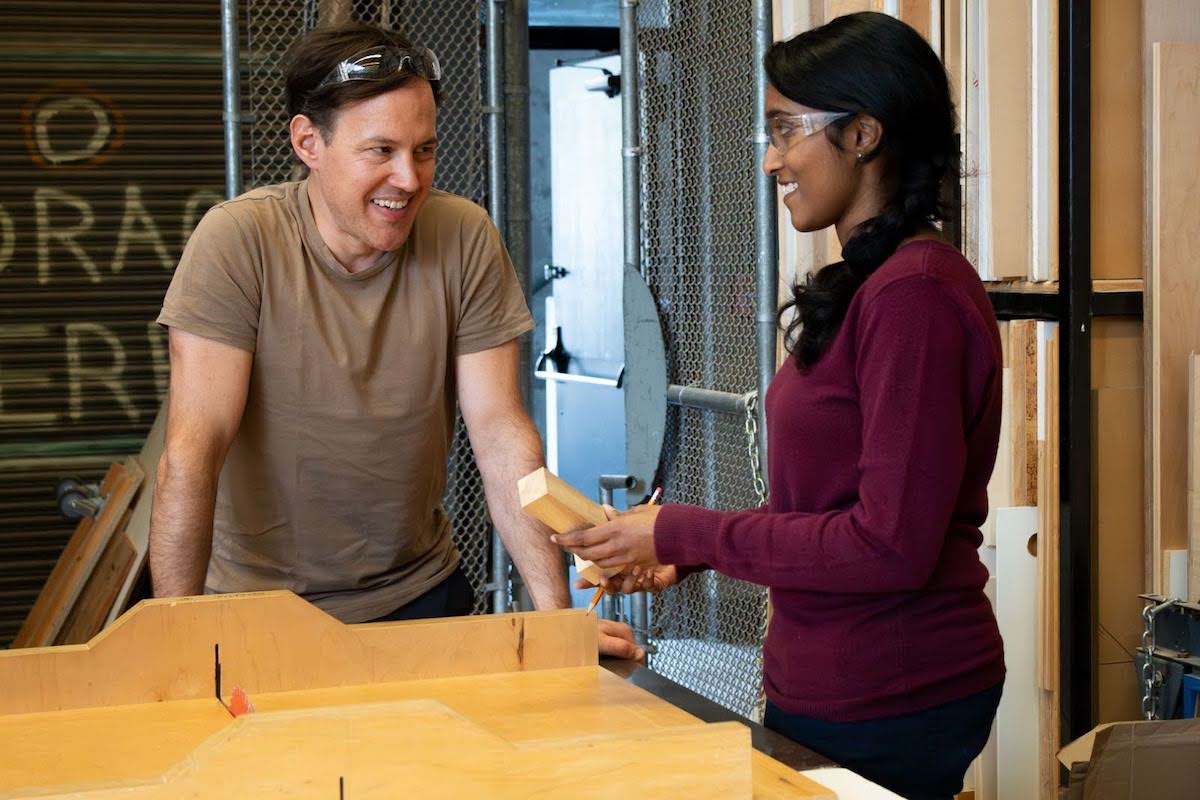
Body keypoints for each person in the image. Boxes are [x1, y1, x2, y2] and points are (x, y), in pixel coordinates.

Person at [550, 12, 1004, 799]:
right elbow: (829, 503)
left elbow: (890, 544)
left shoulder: (915, 296)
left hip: (893, 692)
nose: (772, 160)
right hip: (839, 681)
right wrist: (683, 549)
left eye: (786, 129)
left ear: (863, 133)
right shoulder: (874, 284)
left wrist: (685, 528)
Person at [149, 22, 641, 660]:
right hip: (258, 610)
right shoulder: (238, 242)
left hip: (418, 596)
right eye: (380, 151)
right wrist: (171, 641)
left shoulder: (463, 235)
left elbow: (498, 432)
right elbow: (193, 451)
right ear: (308, 143)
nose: (408, 179)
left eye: (424, 150)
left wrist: (555, 618)